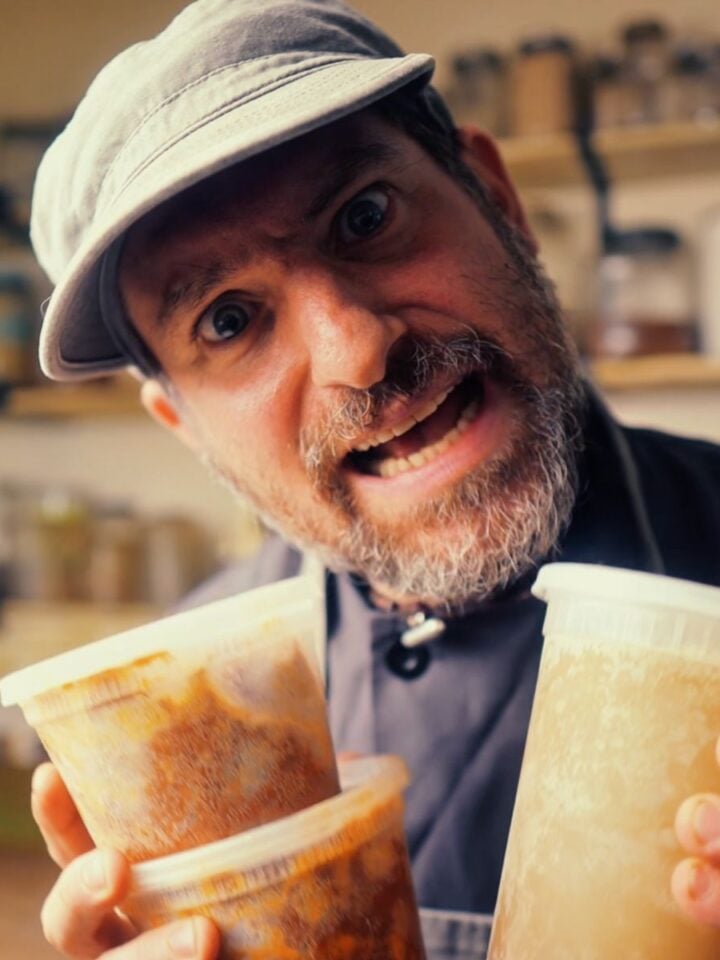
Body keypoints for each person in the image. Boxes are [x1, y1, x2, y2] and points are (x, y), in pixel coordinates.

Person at [26, 1, 720, 958]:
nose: (357, 350)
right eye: (229, 321)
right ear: (182, 425)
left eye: (365, 217)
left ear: (498, 203)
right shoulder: (190, 730)